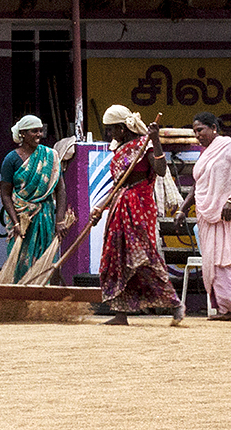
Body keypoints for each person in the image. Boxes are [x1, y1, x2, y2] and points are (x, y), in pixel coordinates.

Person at [92, 105, 185, 326]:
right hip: (119, 206)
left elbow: (161, 171)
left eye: (112, 129)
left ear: (123, 129)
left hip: (139, 207)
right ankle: (121, 313)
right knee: (116, 257)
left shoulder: (145, 147)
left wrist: (156, 141)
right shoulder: (121, 150)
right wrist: (100, 208)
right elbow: (117, 186)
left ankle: (174, 304)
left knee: (143, 258)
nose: (110, 135)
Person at [174, 112, 231, 321]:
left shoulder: (229, 146)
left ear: (214, 128)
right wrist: (182, 208)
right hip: (206, 215)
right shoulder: (205, 154)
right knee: (210, 261)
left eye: (200, 130)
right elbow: (197, 185)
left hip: (225, 215)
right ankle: (222, 309)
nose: (197, 135)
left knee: (225, 260)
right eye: (195, 132)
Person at [0, 115, 68, 283]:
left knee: (48, 258)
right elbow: (5, 193)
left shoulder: (51, 156)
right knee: (20, 259)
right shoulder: (11, 159)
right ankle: (20, 297)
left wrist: (59, 221)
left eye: (40, 131)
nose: (39, 134)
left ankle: (47, 298)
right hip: (22, 217)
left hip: (45, 216)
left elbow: (61, 190)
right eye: (34, 131)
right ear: (22, 133)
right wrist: (16, 222)